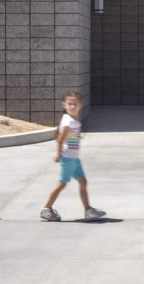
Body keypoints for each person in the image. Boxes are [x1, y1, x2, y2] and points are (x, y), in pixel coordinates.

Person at [40, 92, 106, 222]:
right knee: (61, 184)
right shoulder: (68, 121)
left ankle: (88, 210)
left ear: (80, 105)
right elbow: (60, 139)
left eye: (75, 104)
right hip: (68, 159)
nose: (72, 106)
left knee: (83, 181)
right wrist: (58, 155)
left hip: (74, 159)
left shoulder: (74, 121)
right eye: (70, 104)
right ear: (64, 105)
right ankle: (46, 209)